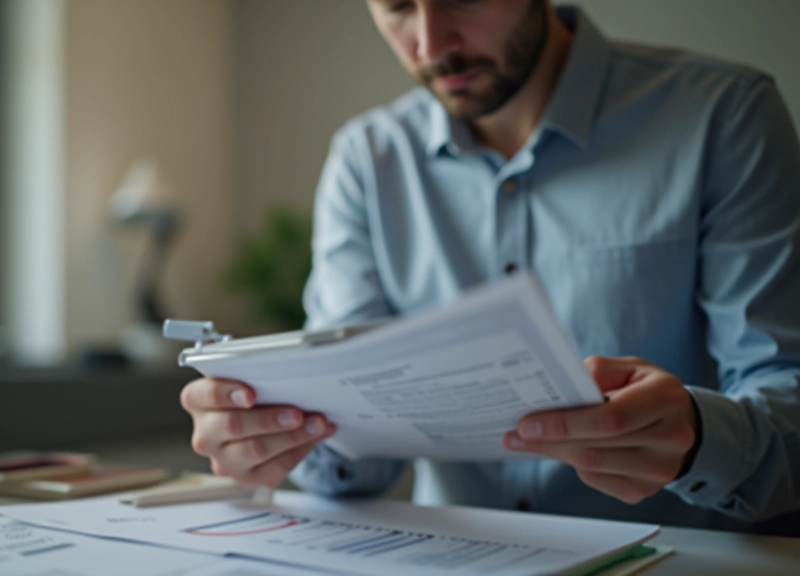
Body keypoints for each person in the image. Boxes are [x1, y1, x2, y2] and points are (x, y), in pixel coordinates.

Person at [180, 0, 800, 533]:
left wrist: (698, 438)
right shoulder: (367, 161)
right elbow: (355, 460)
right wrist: (277, 439)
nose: (430, 43)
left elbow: (788, 403)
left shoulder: (725, 118)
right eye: (396, 5)